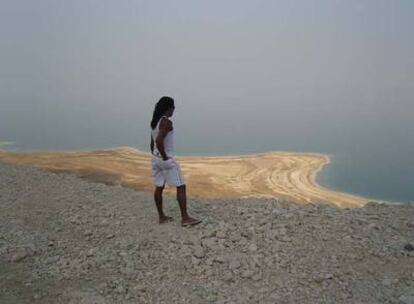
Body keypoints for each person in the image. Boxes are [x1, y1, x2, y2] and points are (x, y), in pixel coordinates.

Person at [150, 96, 201, 226]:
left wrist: (156, 156)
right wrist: (165, 157)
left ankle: (161, 217)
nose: (174, 110)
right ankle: (185, 218)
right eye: (173, 107)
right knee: (181, 185)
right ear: (169, 108)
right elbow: (159, 140)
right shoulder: (166, 122)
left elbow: (152, 143)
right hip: (165, 158)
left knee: (159, 186)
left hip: (155, 158)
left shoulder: (154, 122)